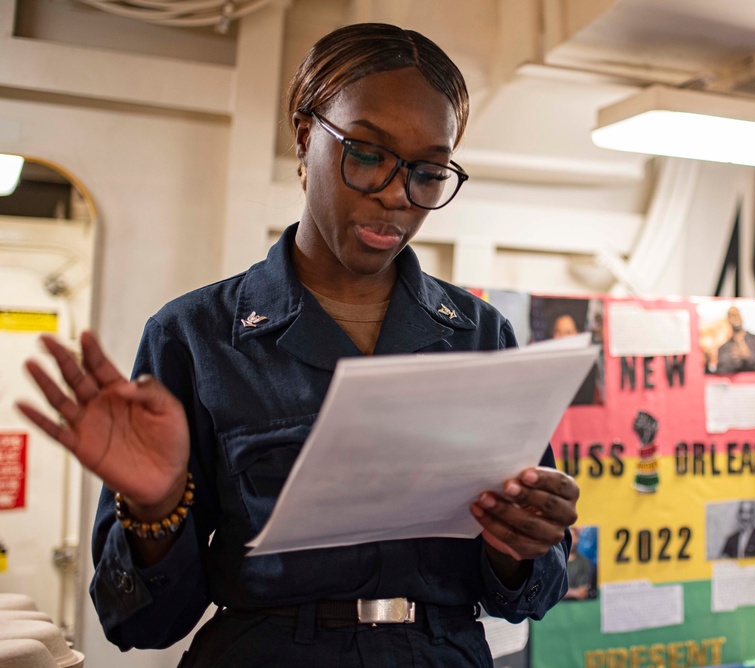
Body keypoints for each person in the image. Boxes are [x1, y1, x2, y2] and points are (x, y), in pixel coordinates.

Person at [16, 23, 579, 667]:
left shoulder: (480, 336)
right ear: (306, 135)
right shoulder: (195, 337)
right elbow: (141, 624)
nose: (396, 194)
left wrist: (523, 546)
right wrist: (155, 509)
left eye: (426, 172)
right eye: (366, 153)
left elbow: (527, 597)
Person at [710, 306, 755, 374]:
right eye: (731, 316)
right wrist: (734, 361)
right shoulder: (723, 348)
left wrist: (748, 356)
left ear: (741, 317)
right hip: (735, 384)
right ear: (728, 320)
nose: (735, 318)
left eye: (737, 315)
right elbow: (720, 371)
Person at [563, 526, 594, 600]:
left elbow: (582, 592)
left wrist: (562, 593)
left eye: (573, 536)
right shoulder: (555, 562)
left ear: (577, 539)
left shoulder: (585, 562)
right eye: (567, 536)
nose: (570, 540)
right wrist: (574, 592)